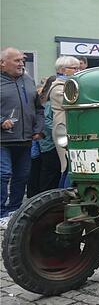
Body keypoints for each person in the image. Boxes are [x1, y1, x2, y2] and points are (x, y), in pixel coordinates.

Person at [0, 48, 44, 221]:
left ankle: (14, 211)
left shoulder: (28, 80)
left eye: (22, 60)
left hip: (25, 139)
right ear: (3, 63)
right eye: (16, 60)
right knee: (3, 174)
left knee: (22, 176)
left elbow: (39, 109)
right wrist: (1, 120)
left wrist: (39, 129)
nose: (21, 64)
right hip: (2, 140)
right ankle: (1, 213)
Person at [49, 56, 82, 188]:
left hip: (71, 127)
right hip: (63, 129)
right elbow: (74, 99)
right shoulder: (58, 87)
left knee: (72, 164)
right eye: (74, 68)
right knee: (68, 165)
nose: (78, 71)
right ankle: (63, 196)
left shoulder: (69, 84)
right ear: (63, 70)